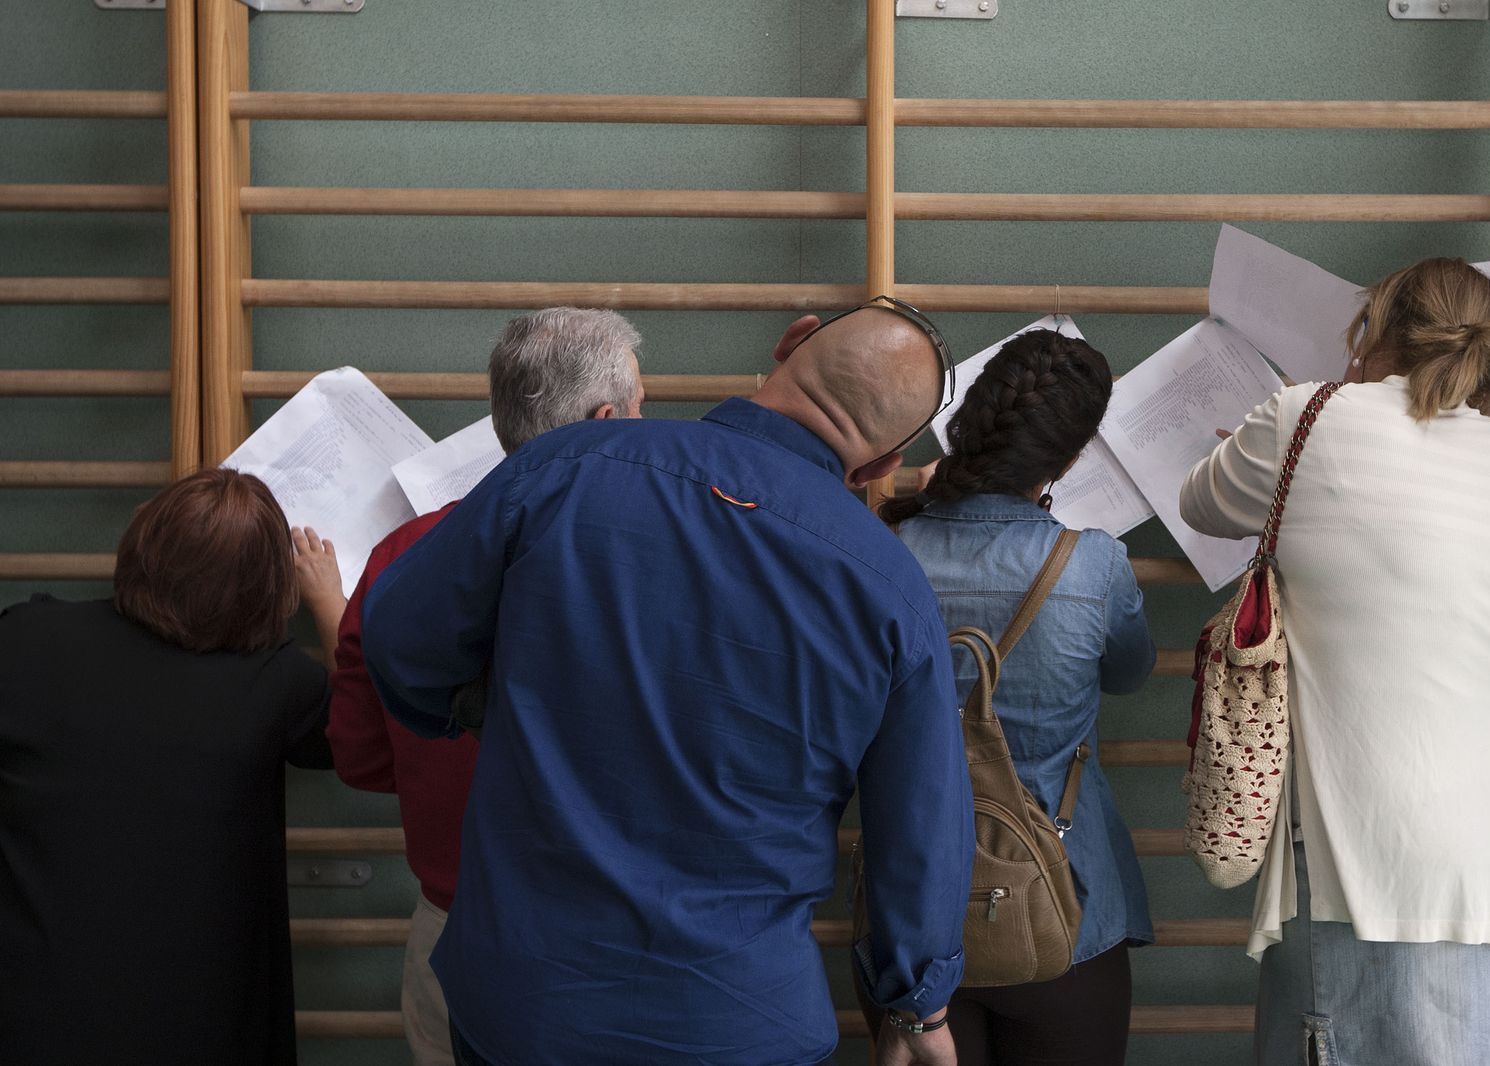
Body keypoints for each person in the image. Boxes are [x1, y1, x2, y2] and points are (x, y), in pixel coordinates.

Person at [360, 298, 977, 1066]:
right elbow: (920, 833)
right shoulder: (893, 589)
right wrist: (917, 1007)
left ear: (792, 342)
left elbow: (397, 642)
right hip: (739, 1023)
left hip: (525, 1008)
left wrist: (483, 708)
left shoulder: (566, 467)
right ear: (884, 463)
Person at [1179, 257, 1490, 1066]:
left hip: (1376, 857)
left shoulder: (1305, 416)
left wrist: (1294, 421)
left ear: (1371, 329)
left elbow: (1202, 501)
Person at [325, 306, 646, 1066]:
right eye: (641, 407)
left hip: (454, 926)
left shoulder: (402, 554)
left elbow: (364, 761)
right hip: (623, 940)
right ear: (607, 420)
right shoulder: (666, 563)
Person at [868, 328, 1158, 1066]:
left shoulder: (881, 550)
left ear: (967, 425)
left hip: (911, 911)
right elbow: (1129, 672)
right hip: (1065, 902)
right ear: (1069, 457)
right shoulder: (1093, 566)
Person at [0, 467, 345, 1066]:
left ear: (141, 545)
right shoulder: (276, 682)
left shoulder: (24, 637)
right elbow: (364, 735)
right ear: (267, 590)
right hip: (205, 1027)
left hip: (32, 1011)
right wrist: (326, 601)